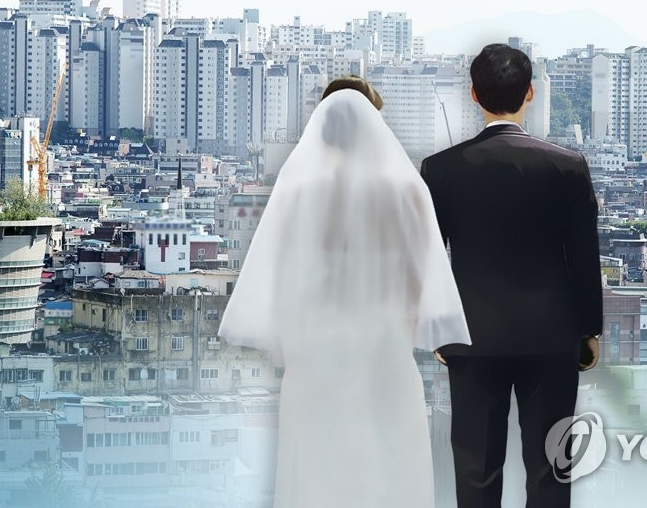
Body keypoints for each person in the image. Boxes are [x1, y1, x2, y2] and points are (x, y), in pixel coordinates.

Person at [219, 87, 471, 508]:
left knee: (317, 467)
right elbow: (419, 279)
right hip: (384, 346)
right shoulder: (406, 191)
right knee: (389, 465)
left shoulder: (299, 193)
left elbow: (283, 277)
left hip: (317, 349)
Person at [421, 43, 603, 508]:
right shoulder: (568, 167)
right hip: (551, 337)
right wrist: (589, 331)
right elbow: (585, 256)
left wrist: (439, 328)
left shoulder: (440, 169)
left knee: (476, 472)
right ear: (530, 93)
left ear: (473, 94)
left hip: (472, 336)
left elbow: (430, 259)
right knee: (550, 472)